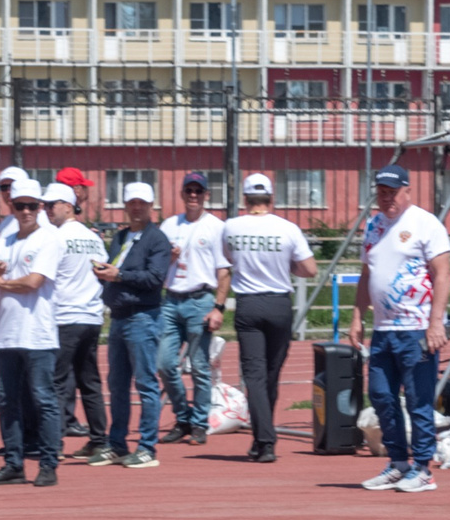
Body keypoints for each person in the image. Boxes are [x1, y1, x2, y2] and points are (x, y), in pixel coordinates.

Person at [350, 164, 450, 493]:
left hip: (417, 328)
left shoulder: (425, 224)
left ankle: (423, 468)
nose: (387, 198)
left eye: (393, 192)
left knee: (419, 400)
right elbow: (366, 276)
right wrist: (357, 317)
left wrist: (435, 322)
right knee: (380, 395)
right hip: (384, 329)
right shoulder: (374, 225)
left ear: (407, 191)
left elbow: (443, 274)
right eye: (381, 192)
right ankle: (397, 463)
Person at [222, 172, 319, 463]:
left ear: (246, 198)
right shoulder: (287, 228)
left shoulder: (231, 227)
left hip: (249, 304)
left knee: (254, 376)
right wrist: (286, 268)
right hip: (279, 304)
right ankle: (262, 439)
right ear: (271, 197)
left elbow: (227, 259)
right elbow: (310, 269)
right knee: (270, 377)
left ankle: (264, 440)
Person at [0, 183, 65, 485]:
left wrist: (0, 282)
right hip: (6, 335)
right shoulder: (4, 241)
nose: (25, 211)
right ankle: (14, 463)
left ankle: (49, 464)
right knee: (7, 400)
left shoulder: (48, 240)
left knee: (43, 399)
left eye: (31, 206)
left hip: (38, 334)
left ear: (40, 207)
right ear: (11, 207)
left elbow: (35, 282)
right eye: (19, 206)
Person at [100, 180, 174, 468]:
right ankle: (117, 443)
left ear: (151, 206)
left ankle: (147, 447)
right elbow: (114, 269)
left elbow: (155, 279)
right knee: (117, 384)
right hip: (118, 317)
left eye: (142, 203)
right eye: (132, 202)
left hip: (143, 317)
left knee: (145, 383)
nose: (136, 207)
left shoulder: (158, 239)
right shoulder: (119, 237)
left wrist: (119, 276)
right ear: (125, 206)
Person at [159, 171, 230, 445]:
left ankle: (199, 423)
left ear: (206, 195)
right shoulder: (168, 225)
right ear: (181, 193)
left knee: (199, 366)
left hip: (200, 299)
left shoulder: (216, 227)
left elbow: (224, 272)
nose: (193, 196)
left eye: (198, 191)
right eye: (188, 190)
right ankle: (183, 417)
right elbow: (155, 266)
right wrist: (167, 257)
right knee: (164, 363)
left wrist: (218, 308)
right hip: (171, 299)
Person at [46, 181, 111, 456]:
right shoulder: (93, 238)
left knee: (57, 381)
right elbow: (104, 270)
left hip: (65, 316)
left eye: (51, 205)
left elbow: (46, 276)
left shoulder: (56, 238)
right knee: (90, 381)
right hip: (91, 316)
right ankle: (99, 440)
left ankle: (55, 444)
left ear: (68, 206)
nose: (47, 209)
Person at [0, 164, 35, 442]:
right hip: (8, 312)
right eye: (3, 187)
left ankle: (39, 443)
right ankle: (19, 443)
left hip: (35, 316)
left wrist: (0, 284)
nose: (8, 192)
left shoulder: (37, 225)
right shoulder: (5, 225)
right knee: (12, 388)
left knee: (36, 387)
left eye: (12, 186)